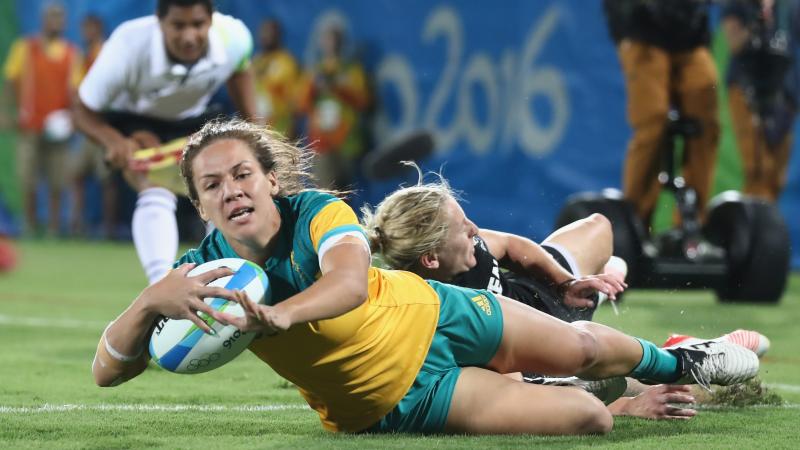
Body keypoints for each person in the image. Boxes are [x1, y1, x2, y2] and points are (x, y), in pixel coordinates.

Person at [92, 118, 759, 435]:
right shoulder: (199, 272)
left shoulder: (317, 211)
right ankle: (625, 391)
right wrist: (150, 303)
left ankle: (687, 363)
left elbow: (351, 282)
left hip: (436, 310)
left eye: (242, 174)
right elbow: (107, 370)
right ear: (200, 203)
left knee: (584, 344)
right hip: (395, 399)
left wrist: (284, 316)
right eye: (212, 184)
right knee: (591, 420)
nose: (231, 189)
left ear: (269, 178)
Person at [360, 174, 704, 420]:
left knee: (599, 225)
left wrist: (566, 283)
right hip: (544, 354)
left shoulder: (463, 249)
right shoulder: (436, 319)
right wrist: (627, 407)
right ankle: (654, 333)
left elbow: (511, 246)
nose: (475, 230)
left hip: (544, 297)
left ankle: (598, 287)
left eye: (468, 221)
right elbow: (517, 394)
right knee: (651, 387)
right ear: (431, 260)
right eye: (463, 230)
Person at [72, 0, 257, 284]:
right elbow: (82, 109)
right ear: (159, 22)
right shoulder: (128, 45)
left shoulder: (235, 37)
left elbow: (240, 69)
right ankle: (162, 287)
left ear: (211, 19)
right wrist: (116, 141)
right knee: (154, 188)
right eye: (178, 25)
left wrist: (256, 130)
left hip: (196, 119)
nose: (188, 36)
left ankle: (223, 278)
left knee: (224, 189)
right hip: (136, 120)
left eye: (197, 25)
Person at [603, 0, 720, 225]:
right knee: (653, 121)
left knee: (706, 126)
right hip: (643, 33)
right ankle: (635, 222)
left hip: (690, 38)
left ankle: (691, 225)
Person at [1, 1, 81, 236]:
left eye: (60, 17)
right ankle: (29, 225)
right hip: (30, 126)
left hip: (59, 130)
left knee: (58, 181)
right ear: (43, 20)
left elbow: (76, 92)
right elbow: (9, 81)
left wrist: (73, 118)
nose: (56, 22)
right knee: (28, 180)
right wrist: (6, 111)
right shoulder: (24, 48)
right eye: (52, 17)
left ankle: (54, 228)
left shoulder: (71, 54)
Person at [721, 0, 800, 201]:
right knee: (758, 170)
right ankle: (754, 228)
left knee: (776, 177)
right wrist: (756, 23)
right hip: (748, 89)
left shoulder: (789, 6)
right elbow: (735, 44)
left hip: (785, 94)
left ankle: (764, 228)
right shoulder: (739, 4)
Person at [297, 24, 370, 191]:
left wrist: (338, 87)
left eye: (335, 39)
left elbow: (363, 102)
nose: (331, 44)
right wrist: (314, 88)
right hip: (322, 141)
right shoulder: (314, 71)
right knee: (326, 193)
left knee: (347, 193)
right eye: (328, 40)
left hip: (347, 141)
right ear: (321, 43)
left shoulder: (352, 70)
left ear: (342, 43)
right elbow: (300, 105)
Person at [69, 14, 117, 238]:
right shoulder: (84, 56)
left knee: (107, 180)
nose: (85, 33)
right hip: (86, 130)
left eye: (90, 28)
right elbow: (76, 90)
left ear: (98, 29)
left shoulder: (108, 54)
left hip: (104, 128)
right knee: (77, 176)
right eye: (83, 28)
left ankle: (109, 228)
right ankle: (76, 226)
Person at [252, 18, 300, 139]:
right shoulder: (255, 62)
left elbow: (294, 100)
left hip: (279, 131)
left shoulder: (287, 62)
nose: (265, 36)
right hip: (258, 130)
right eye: (263, 32)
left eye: (269, 32)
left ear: (278, 35)